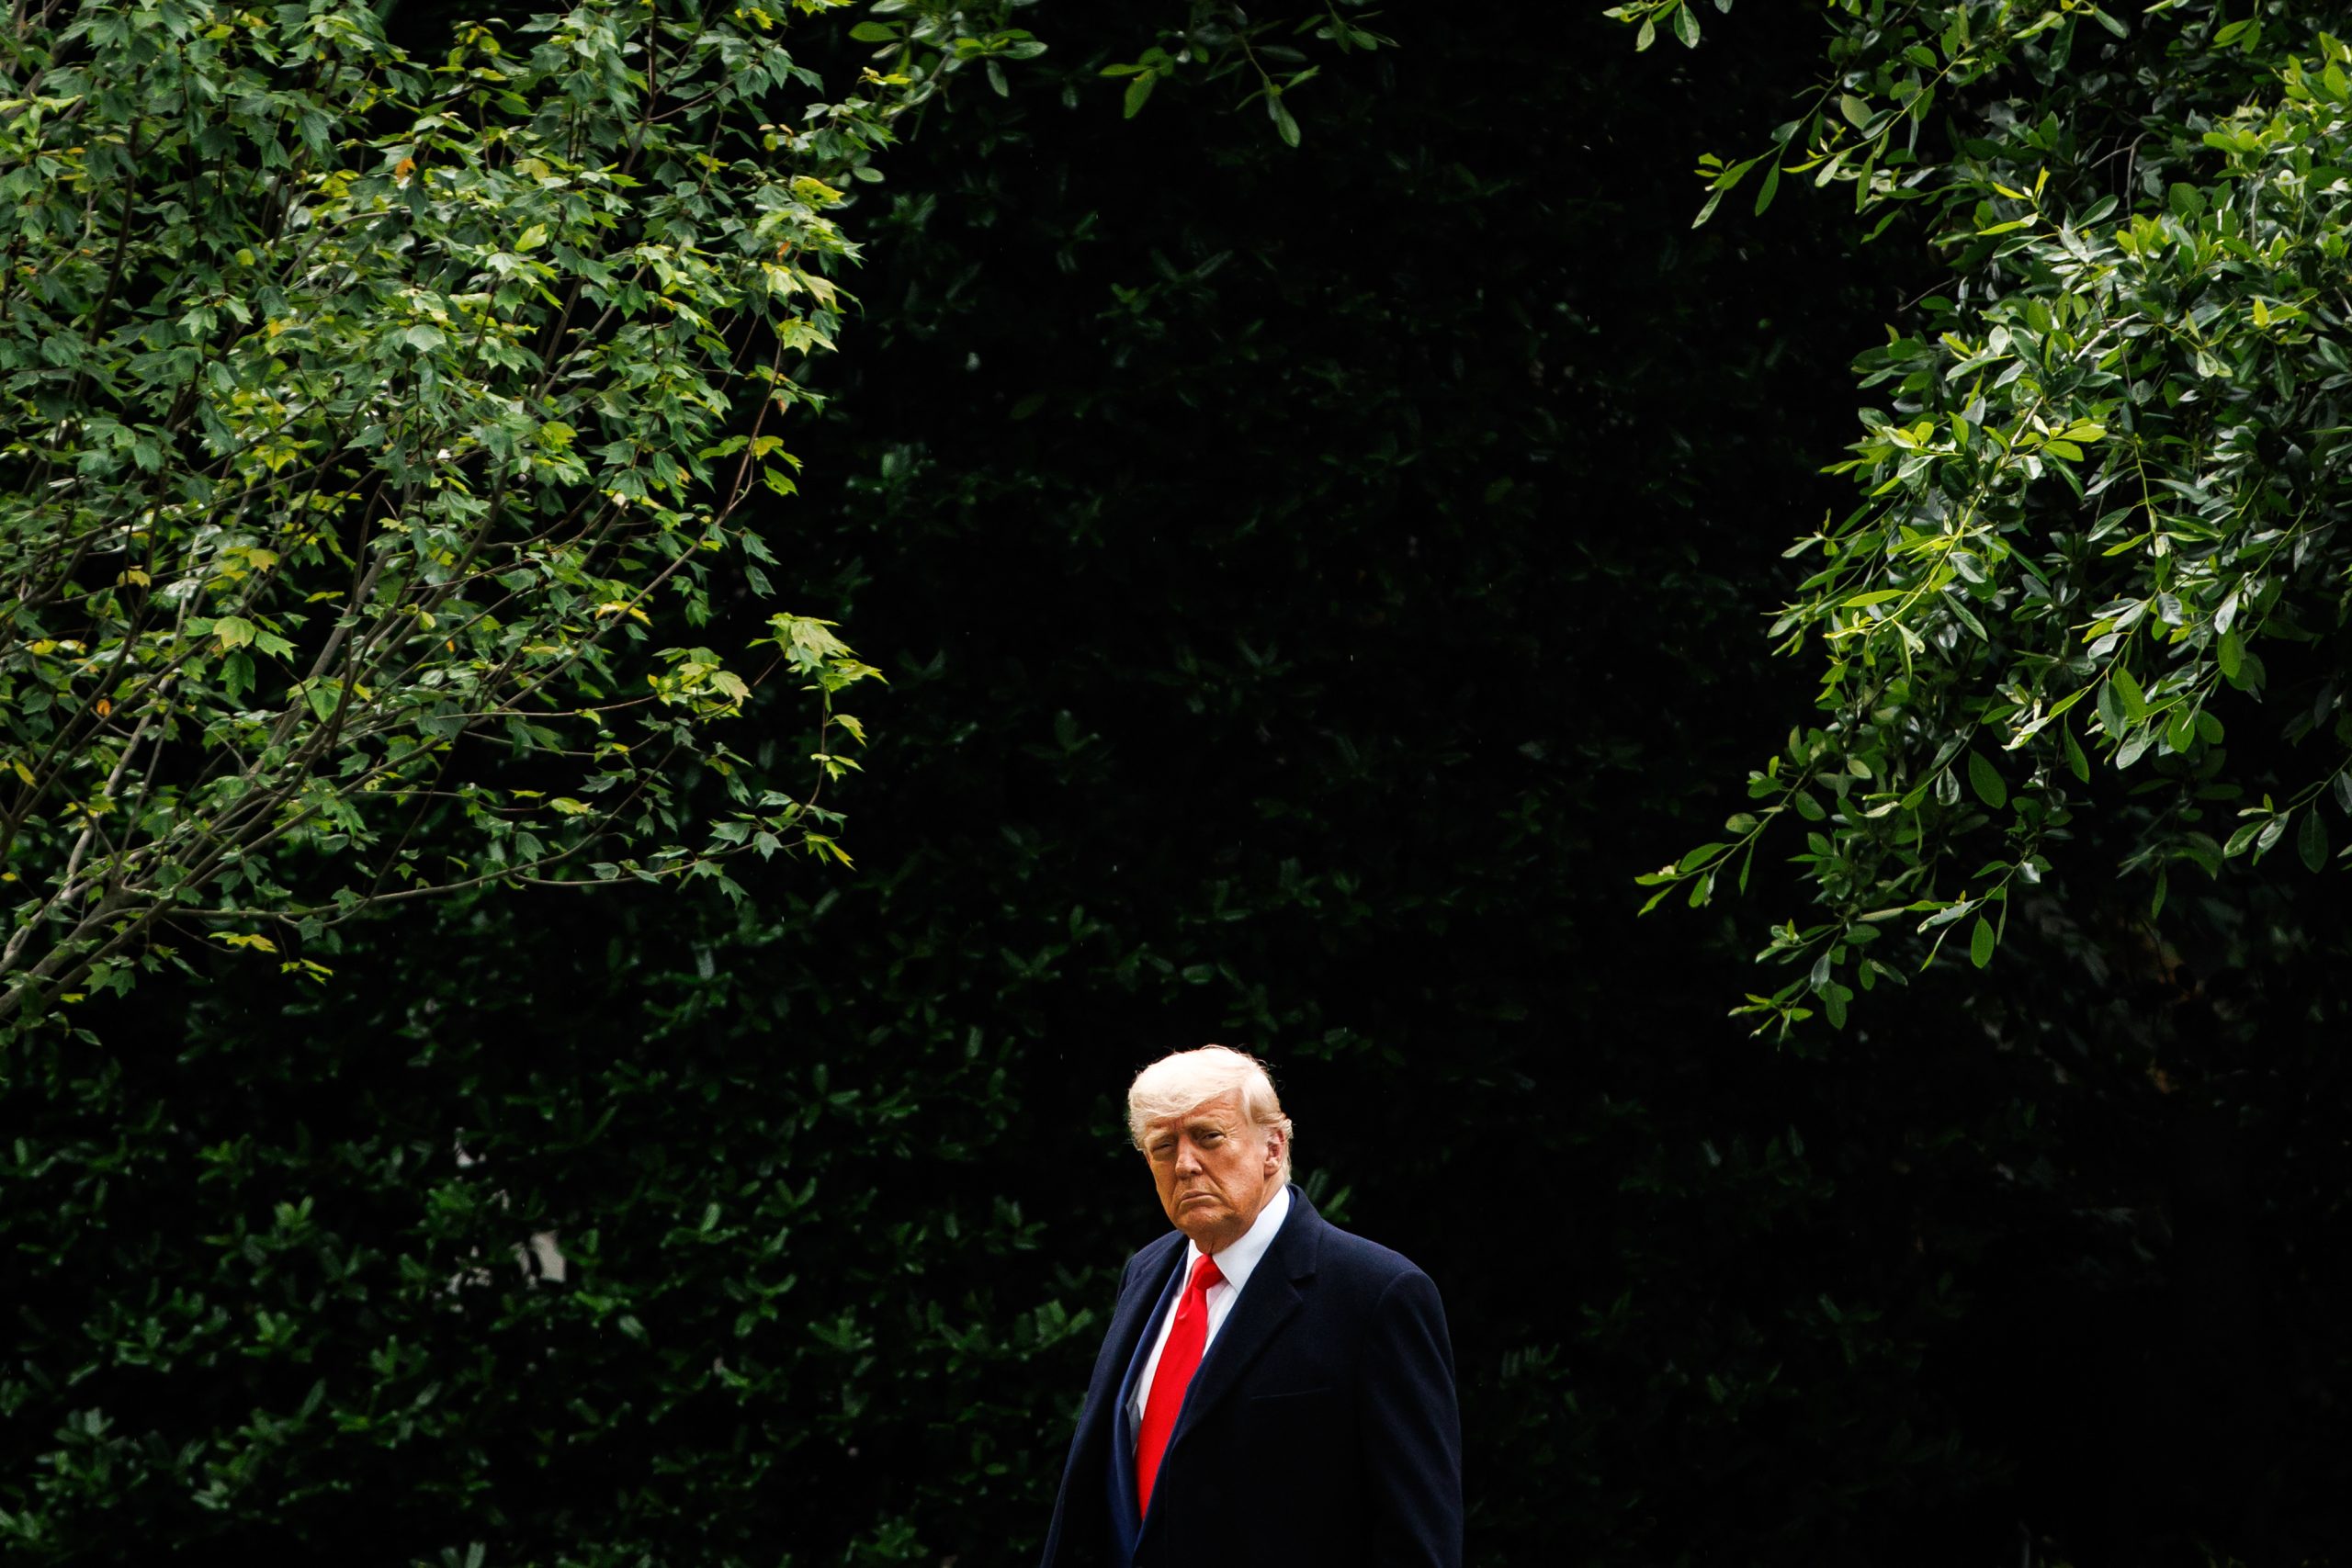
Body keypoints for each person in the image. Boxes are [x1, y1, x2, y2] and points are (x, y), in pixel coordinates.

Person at [1038, 1045, 1463, 1566]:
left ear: (1273, 1147)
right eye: (1163, 1145)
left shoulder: (1376, 1292)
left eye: (1208, 1137)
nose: (1186, 1164)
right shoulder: (1146, 1272)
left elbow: (1418, 1538)